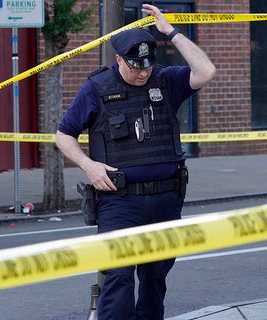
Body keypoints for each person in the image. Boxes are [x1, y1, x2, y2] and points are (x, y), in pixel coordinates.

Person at [56, 4, 215, 319]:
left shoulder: (166, 81)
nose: (142, 72)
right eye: (135, 66)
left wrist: (171, 32)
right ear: (118, 60)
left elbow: (206, 71)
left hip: (165, 199)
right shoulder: (97, 89)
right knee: (119, 277)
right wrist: (89, 166)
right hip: (119, 201)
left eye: (147, 65)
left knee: (156, 279)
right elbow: (63, 135)